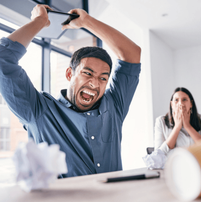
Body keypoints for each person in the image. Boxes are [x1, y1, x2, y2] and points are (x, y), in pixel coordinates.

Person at [0, 4, 141, 177]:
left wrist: (87, 21)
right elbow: (3, 59)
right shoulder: (39, 111)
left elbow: (132, 55)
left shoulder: (114, 106)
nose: (94, 83)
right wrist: (40, 21)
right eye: (87, 73)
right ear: (69, 74)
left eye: (103, 78)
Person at [154, 87, 201, 155]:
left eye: (184, 99)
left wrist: (187, 126)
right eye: (176, 100)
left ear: (191, 103)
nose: (180, 104)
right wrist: (177, 127)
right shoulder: (161, 121)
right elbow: (158, 154)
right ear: (172, 104)